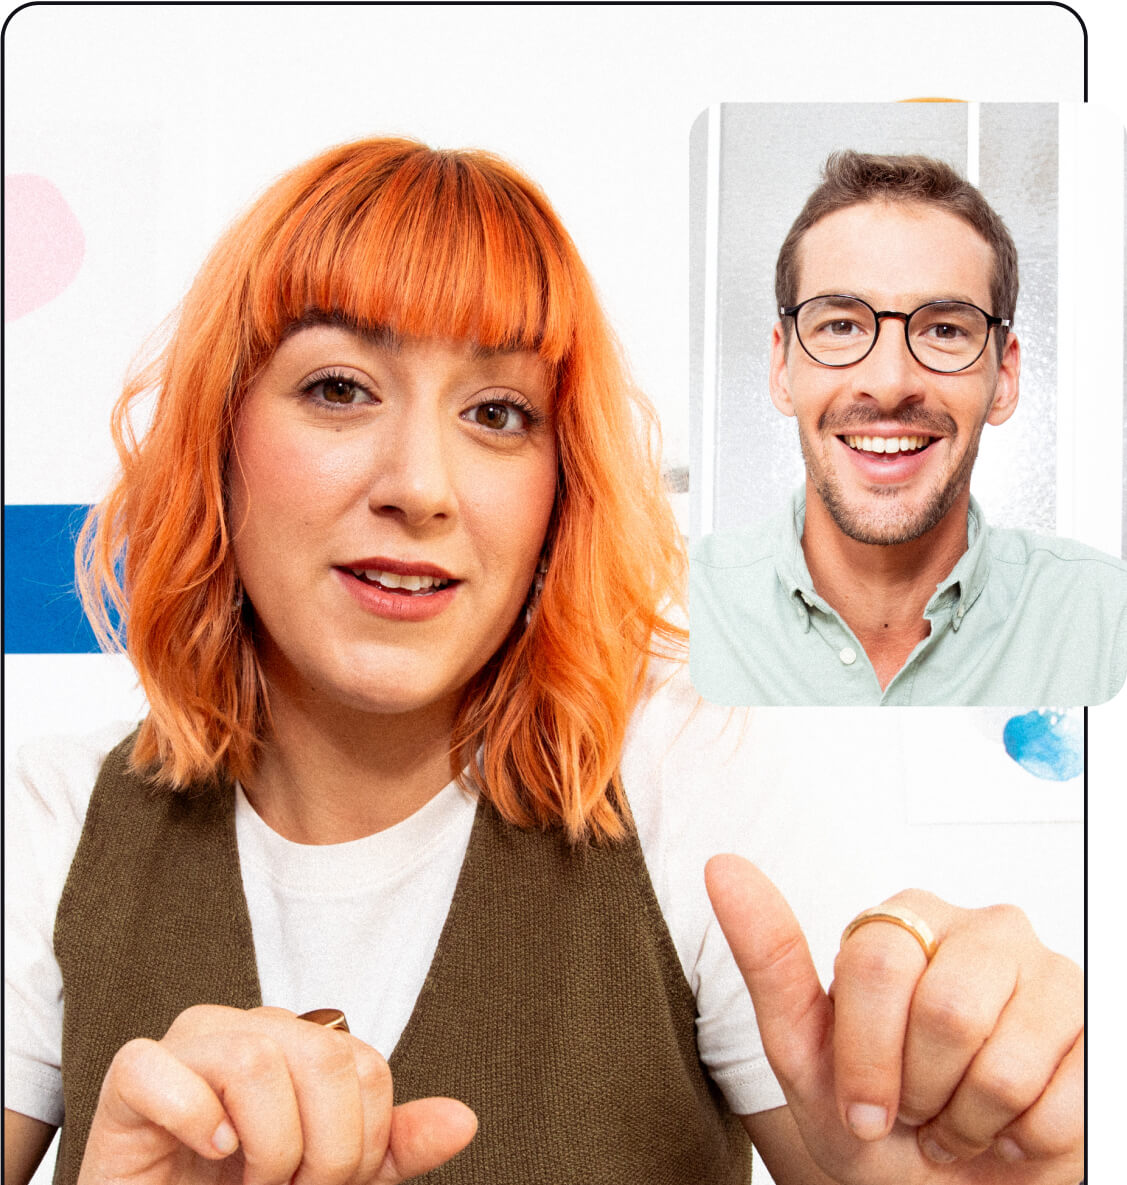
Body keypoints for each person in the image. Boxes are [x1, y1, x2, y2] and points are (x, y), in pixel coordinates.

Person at [5, 138, 1083, 1185]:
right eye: (337, 388)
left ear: (557, 489)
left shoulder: (690, 779)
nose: (420, 484)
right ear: (219, 436)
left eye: (496, 413)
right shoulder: (48, 824)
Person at [691, 149, 1127, 707]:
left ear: (1006, 376)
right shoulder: (668, 626)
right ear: (782, 368)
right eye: (842, 325)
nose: (891, 382)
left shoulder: (1110, 628)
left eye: (944, 329)